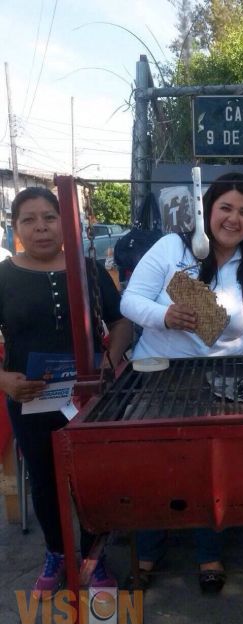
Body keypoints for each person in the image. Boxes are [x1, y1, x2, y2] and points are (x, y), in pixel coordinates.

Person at [120, 172, 243, 594]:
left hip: (226, 379)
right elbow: (129, 300)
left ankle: (209, 551)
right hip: (160, 374)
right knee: (157, 466)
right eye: (225, 207)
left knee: (214, 469)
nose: (234, 218)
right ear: (208, 210)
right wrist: (164, 316)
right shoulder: (173, 248)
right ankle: (148, 548)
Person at [0, 187, 132, 600]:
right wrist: (4, 380)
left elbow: (120, 320)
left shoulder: (88, 268)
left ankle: (94, 558)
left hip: (89, 395)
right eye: (29, 219)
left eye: (49, 217)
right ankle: (56, 553)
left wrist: (109, 358)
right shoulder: (4, 276)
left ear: (65, 222)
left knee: (90, 478)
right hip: (29, 396)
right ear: (16, 227)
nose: (41, 227)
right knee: (44, 479)